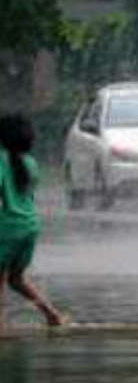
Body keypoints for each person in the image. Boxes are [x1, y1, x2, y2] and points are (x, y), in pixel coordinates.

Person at [0, 114, 65, 333]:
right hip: (29, 226)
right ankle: (52, 314)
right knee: (15, 279)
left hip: (6, 227)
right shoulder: (31, 162)